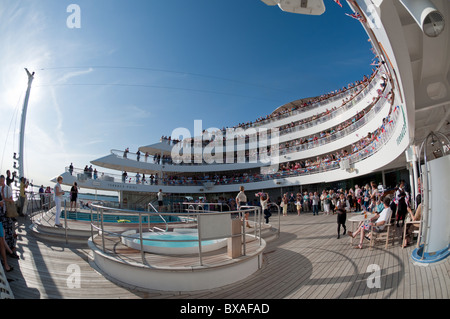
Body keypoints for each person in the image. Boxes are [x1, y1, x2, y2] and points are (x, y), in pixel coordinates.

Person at [0, 175, 18, 260]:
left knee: (8, 229)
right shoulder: (0, 188)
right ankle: (7, 248)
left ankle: (11, 247)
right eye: (0, 181)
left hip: (7, 211)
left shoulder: (8, 188)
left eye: (2, 181)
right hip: (2, 212)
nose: (1, 183)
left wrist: (4, 199)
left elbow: (11, 200)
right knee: (4, 230)